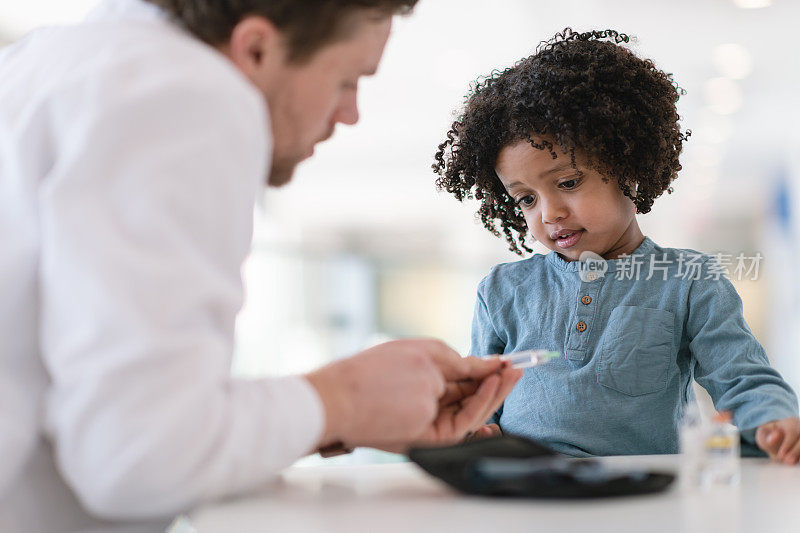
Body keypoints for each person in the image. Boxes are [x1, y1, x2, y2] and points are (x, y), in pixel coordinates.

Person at [0, 0, 522, 530]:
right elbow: (137, 456)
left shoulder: (47, 61)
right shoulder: (188, 91)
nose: (351, 113)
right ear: (255, 48)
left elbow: (105, 422)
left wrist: (347, 412)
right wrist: (340, 398)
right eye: (347, 80)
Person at [434, 29, 800, 461]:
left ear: (628, 167)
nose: (548, 213)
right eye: (526, 199)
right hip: (530, 494)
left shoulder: (688, 281)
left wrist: (773, 419)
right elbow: (480, 403)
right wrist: (473, 434)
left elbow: (742, 376)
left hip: (645, 498)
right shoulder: (502, 290)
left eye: (568, 183)